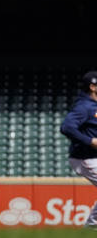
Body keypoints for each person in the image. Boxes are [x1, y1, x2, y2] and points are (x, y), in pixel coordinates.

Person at [60, 70, 97, 229]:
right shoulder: (84, 107)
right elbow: (66, 127)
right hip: (84, 158)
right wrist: (90, 140)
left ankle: (91, 226)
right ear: (93, 87)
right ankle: (91, 226)